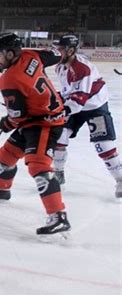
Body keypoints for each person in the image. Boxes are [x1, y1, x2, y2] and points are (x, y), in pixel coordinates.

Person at [0, 33, 71, 236]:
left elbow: (17, 116)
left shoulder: (9, 79)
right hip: (36, 119)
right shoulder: (31, 55)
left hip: (45, 123)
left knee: (38, 164)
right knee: (6, 156)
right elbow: (56, 54)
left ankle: (59, 216)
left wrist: (6, 123)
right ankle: (3, 191)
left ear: (11, 53)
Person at [53, 34, 122, 198]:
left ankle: (120, 178)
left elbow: (78, 100)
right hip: (75, 103)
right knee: (59, 137)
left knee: (103, 145)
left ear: (70, 50)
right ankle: (58, 173)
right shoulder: (60, 67)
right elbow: (67, 92)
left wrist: (59, 111)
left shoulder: (82, 68)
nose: (57, 52)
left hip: (94, 106)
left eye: (60, 49)